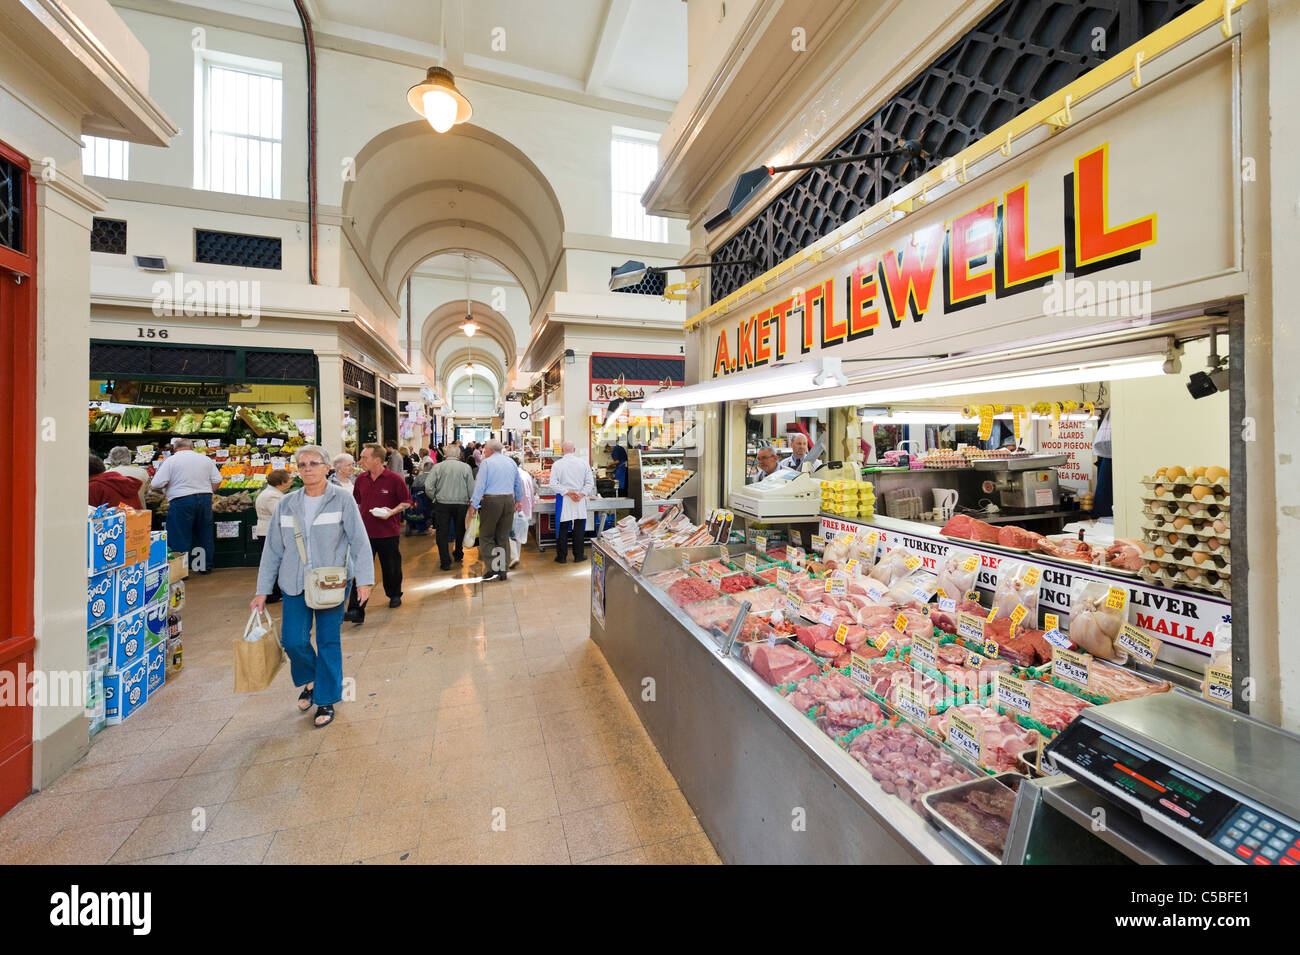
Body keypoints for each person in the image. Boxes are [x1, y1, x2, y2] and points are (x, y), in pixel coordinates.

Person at [251, 445, 373, 728]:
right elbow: (272, 550)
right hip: (294, 582)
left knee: (329, 640)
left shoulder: (342, 500)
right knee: (293, 641)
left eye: (313, 463)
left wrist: (364, 581)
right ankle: (313, 680)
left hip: (331, 582)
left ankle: (326, 699)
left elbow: (359, 542)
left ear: (326, 467)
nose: (307, 468)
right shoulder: (287, 503)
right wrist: (262, 589)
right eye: (302, 464)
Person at [347, 443, 411, 621]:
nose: (360, 461)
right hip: (364, 533)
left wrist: (391, 512)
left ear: (377, 460)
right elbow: (357, 503)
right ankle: (356, 609)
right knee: (360, 570)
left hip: (388, 531)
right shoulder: (361, 480)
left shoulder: (394, 479)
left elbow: (406, 501)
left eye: (364, 457)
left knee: (390, 566)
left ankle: (394, 594)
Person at [150, 437, 222, 574]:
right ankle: (204, 566)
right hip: (205, 498)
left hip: (181, 500)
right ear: (191, 447)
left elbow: (156, 484)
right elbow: (218, 479)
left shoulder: (171, 461)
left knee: (180, 535)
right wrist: (208, 491)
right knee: (204, 533)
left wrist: (169, 485)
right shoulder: (205, 459)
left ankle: (181, 571)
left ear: (174, 448)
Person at [466, 438, 524, 581]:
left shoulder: (486, 463)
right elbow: (518, 483)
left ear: (490, 450)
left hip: (491, 501)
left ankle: (492, 568)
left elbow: (480, 485)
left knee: (486, 535)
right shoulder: (510, 462)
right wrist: (518, 500)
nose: (484, 452)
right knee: (503, 536)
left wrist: (473, 505)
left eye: (485, 449)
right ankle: (503, 569)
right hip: (508, 501)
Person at [427, 444, 475, 570]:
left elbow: (428, 486)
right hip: (461, 503)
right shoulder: (466, 468)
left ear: (445, 454)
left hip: (442, 503)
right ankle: (458, 554)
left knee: (442, 533)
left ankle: (445, 561)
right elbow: (471, 488)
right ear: (459, 455)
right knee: (460, 529)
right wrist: (472, 502)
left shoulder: (438, 467)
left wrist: (435, 497)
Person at [549, 441, 596, 564]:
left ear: (562, 450)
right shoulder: (584, 463)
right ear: (574, 449)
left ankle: (562, 557)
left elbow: (553, 484)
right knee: (579, 527)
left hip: (564, 499)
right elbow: (590, 483)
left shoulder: (557, 465)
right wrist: (580, 494)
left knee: (562, 528)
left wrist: (568, 492)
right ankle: (579, 555)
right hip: (579, 499)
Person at [252, 469, 293, 603]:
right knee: (273, 563)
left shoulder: (272, 493)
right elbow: (279, 514)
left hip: (267, 531)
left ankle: (274, 592)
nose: (291, 481)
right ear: (281, 483)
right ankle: (271, 593)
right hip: (268, 532)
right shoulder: (272, 496)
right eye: (289, 479)